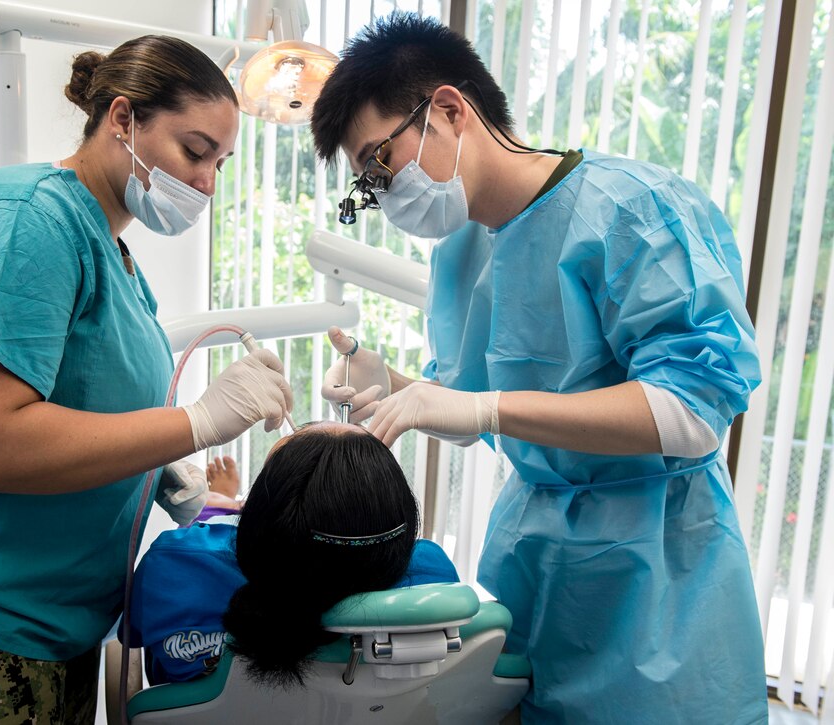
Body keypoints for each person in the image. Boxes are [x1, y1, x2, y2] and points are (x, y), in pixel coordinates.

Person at [309, 13, 767, 725]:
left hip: (657, 583)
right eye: (367, 183)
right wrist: (396, 386)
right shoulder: (462, 250)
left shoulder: (630, 210)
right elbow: (465, 404)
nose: (382, 193)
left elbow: (694, 411)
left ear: (450, 110)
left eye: (378, 164)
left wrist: (492, 408)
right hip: (535, 559)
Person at [0, 37, 293, 723]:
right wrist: (196, 422)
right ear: (123, 118)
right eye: (195, 151)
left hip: (56, 632)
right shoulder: (21, 222)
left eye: (221, 163)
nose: (207, 182)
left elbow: (87, 404)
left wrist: (179, 483)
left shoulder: (109, 252)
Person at [127, 424, 459, 686]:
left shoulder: (174, 565)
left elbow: (133, 634)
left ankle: (223, 502)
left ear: (258, 514)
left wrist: (222, 509)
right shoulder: (431, 577)